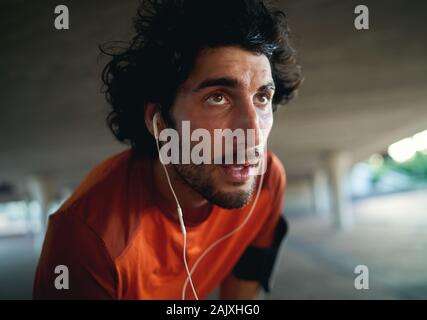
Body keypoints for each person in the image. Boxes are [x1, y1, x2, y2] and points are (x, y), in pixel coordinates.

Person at [33, 0, 302, 299]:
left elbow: (243, 287)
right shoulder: (87, 237)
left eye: (262, 97)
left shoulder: (266, 181)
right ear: (158, 121)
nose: (253, 134)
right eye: (218, 98)